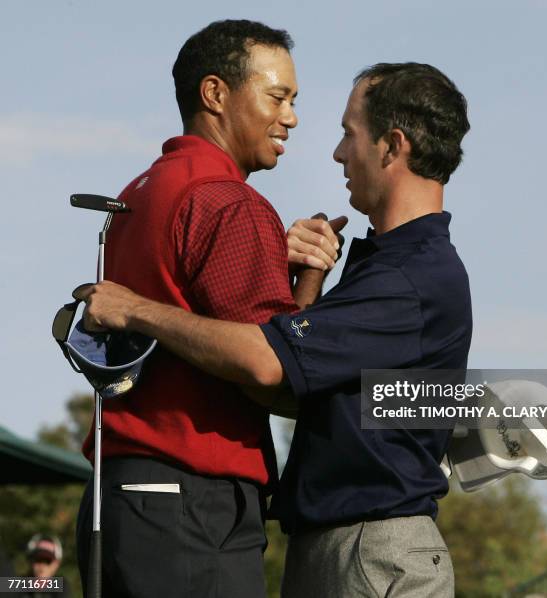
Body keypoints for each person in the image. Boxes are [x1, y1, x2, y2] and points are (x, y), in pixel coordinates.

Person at [76, 61, 471, 597]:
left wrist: (137, 309)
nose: (336, 152)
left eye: (347, 134)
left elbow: (265, 361)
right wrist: (305, 280)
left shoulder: (411, 279)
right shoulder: (386, 269)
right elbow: (292, 383)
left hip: (375, 551)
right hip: (341, 547)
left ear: (391, 145)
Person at [74, 19, 345, 598]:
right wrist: (313, 285)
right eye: (278, 97)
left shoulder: (139, 191)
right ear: (216, 93)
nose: (291, 118)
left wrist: (288, 273)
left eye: (293, 101)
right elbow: (271, 373)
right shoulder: (230, 202)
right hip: (190, 503)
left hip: (116, 495)